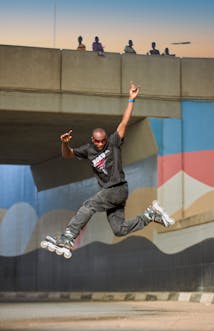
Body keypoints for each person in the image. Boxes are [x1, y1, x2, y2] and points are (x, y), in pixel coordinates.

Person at [56, 82, 175, 250]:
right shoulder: (87, 150)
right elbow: (67, 154)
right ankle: (149, 216)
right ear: (92, 140)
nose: (100, 144)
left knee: (89, 205)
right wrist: (64, 144)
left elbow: (124, 122)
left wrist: (131, 100)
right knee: (119, 229)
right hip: (111, 195)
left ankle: (68, 236)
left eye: (102, 141)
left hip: (117, 188)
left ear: (106, 138)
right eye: (97, 141)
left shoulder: (113, 142)